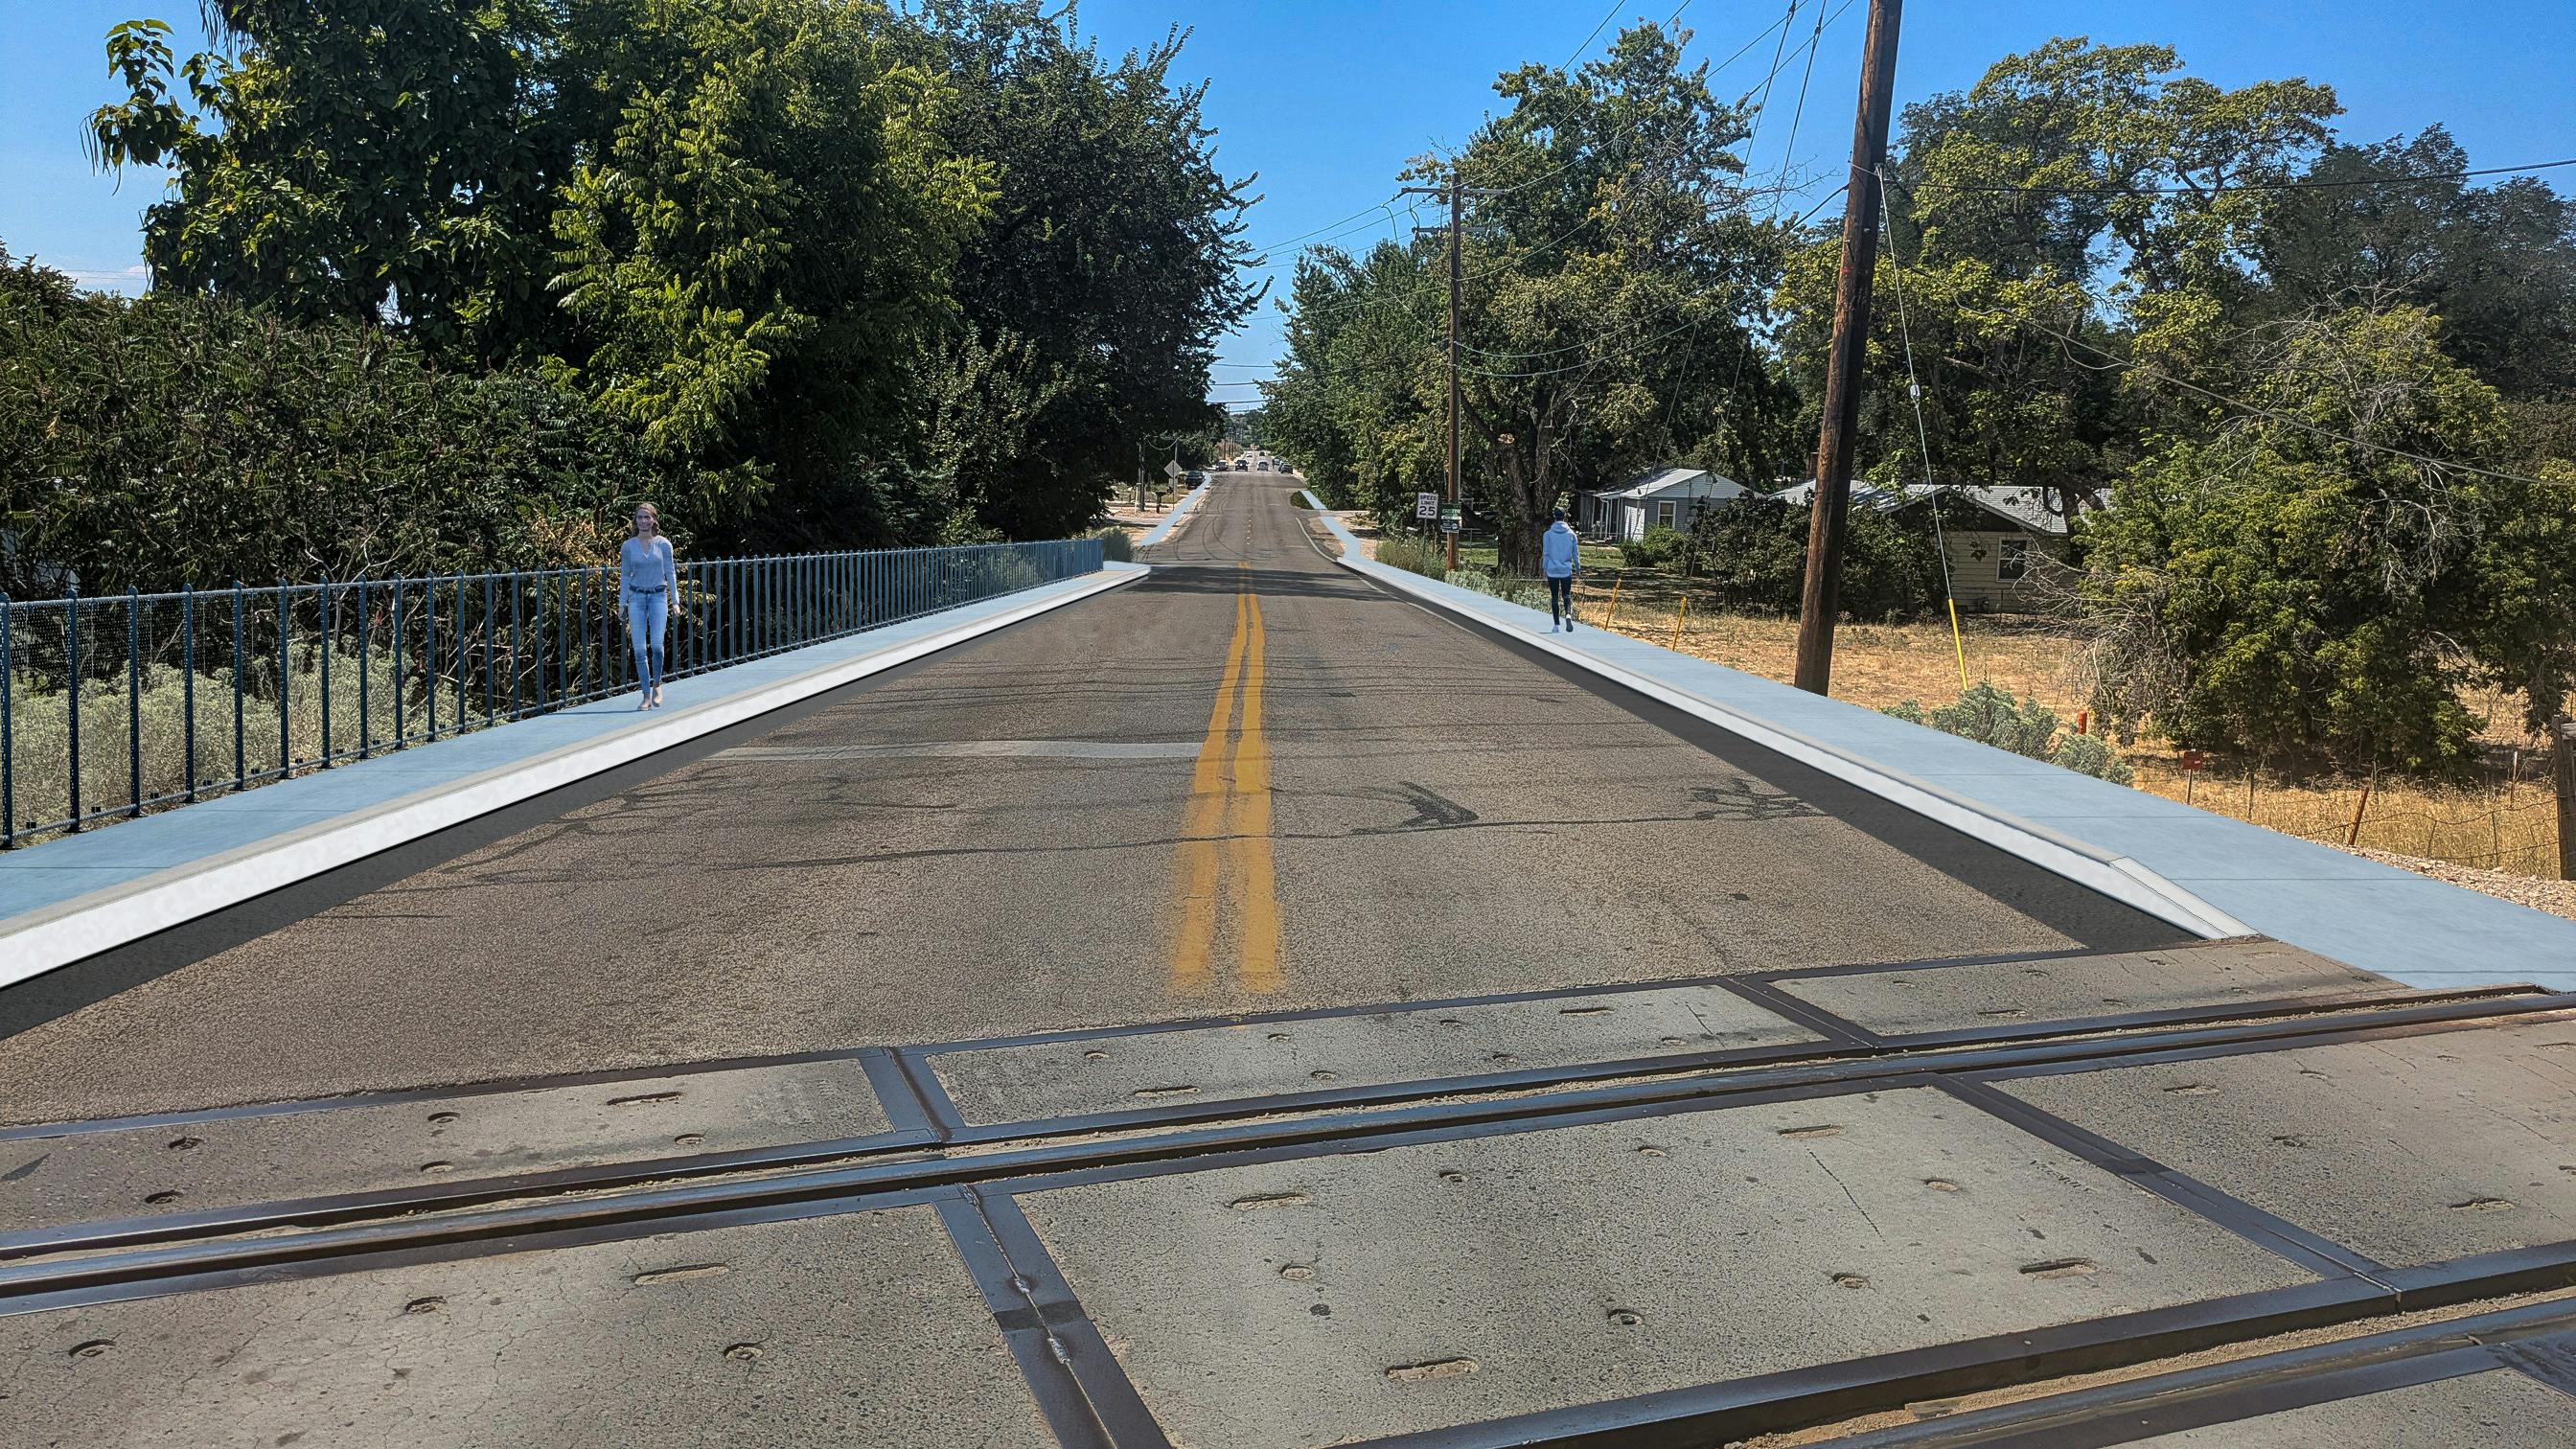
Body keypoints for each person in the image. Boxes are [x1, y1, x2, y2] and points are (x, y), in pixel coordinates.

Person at [620, 503, 678, 709]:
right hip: (636, 598)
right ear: (635, 521)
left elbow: (670, 572)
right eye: (639, 518)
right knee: (638, 649)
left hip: (658, 597)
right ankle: (645, 695)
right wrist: (622, 603)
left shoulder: (663, 544)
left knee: (657, 646)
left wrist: (676, 601)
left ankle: (657, 684)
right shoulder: (628, 546)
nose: (643, 521)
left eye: (647, 517)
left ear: (654, 520)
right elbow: (625, 574)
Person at [1540, 507, 1580, 632]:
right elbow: (1575, 553)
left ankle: (1556, 624)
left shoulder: (1548, 534)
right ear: (1564, 517)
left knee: (1554, 596)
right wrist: (1578, 568)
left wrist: (1544, 569)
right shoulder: (1571, 534)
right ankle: (1568, 614)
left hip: (1552, 569)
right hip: (1566, 570)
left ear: (1554, 517)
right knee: (1566, 594)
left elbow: (1545, 553)